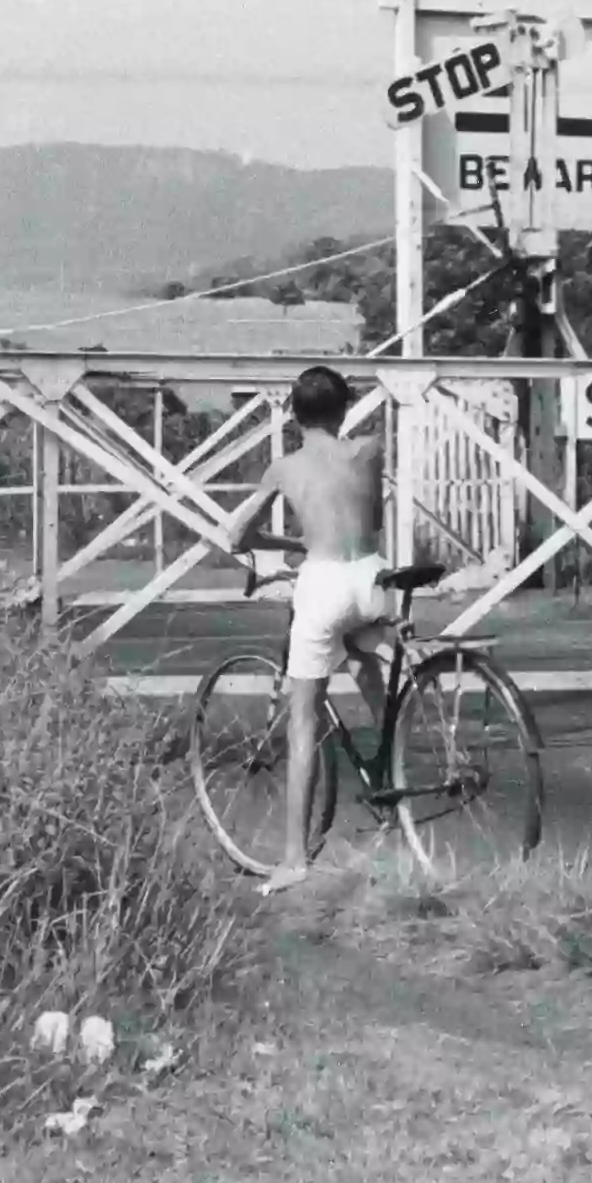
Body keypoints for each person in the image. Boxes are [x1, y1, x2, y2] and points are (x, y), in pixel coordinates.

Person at [213, 365, 392, 893]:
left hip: (324, 583)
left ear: (293, 415)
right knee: (362, 654)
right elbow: (370, 521)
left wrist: (287, 546)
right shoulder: (369, 449)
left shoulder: (283, 468)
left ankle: (293, 859)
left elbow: (236, 534)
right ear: (343, 410)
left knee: (303, 722)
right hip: (372, 577)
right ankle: (388, 767)